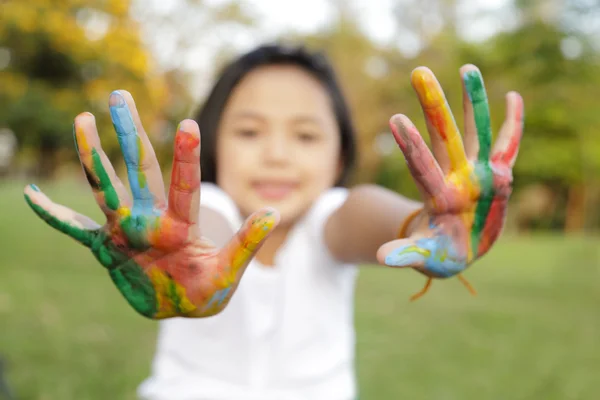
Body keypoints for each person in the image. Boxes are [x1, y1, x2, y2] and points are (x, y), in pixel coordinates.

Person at [23, 44, 524, 400]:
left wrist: (422, 223)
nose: (277, 154)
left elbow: (361, 212)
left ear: (340, 154)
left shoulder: (331, 216)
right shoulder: (211, 210)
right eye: (249, 131)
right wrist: (189, 256)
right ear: (215, 141)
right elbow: (210, 230)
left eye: (306, 136)